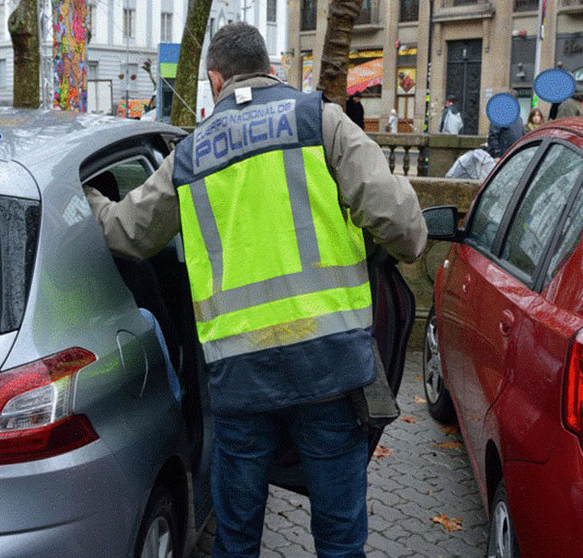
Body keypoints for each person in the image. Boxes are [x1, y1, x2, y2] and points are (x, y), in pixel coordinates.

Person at [83, 22, 426, 558]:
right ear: (270, 67)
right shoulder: (320, 121)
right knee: (340, 541)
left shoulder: (191, 155)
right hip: (331, 370)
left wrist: (93, 198)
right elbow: (402, 226)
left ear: (215, 77)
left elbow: (127, 232)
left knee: (238, 539)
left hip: (241, 378)